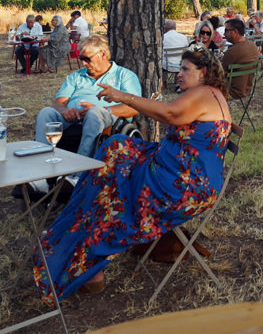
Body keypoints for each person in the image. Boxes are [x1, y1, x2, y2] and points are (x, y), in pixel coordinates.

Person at [33, 49, 231, 299]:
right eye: (179, 69)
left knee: (113, 189)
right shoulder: (207, 94)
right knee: (114, 149)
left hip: (184, 187)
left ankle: (86, 256)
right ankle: (79, 234)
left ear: (203, 72)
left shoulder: (203, 93)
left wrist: (122, 96)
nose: (178, 74)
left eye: (185, 69)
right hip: (177, 174)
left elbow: (169, 113)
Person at [33, 35, 142, 157]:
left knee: (94, 113)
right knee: (46, 113)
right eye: (81, 59)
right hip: (74, 118)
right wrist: (65, 111)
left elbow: (133, 108)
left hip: (107, 117)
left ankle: (81, 169)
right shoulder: (76, 76)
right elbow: (59, 102)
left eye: (87, 59)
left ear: (103, 55)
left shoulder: (124, 76)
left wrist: (102, 110)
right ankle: (41, 163)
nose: (84, 63)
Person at [220, 19, 260, 99]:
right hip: (247, 89)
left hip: (230, 91)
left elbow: (220, 73)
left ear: (235, 31)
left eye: (226, 30)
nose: (224, 33)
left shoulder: (232, 52)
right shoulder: (253, 46)